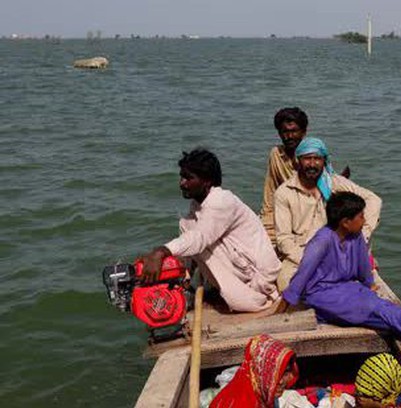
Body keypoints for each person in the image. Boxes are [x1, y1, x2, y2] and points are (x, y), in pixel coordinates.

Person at [280, 192, 401, 356]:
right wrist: (280, 311)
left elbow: (363, 269)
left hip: (346, 289)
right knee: (373, 308)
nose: (365, 220)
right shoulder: (321, 242)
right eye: (360, 216)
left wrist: (369, 285)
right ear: (345, 222)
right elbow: (301, 277)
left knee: (384, 307)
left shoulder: (356, 236)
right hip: (321, 296)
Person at [141, 148, 281, 312]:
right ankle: (194, 286)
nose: (182, 183)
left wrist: (161, 252)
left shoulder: (222, 201)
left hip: (259, 281)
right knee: (186, 225)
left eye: (188, 178)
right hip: (239, 272)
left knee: (192, 235)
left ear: (207, 181)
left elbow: (199, 238)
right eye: (182, 176)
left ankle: (225, 291)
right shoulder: (196, 209)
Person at [274, 137, 382, 290]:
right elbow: (284, 240)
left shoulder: (335, 183)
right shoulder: (284, 193)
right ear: (298, 161)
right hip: (303, 252)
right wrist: (310, 261)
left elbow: (373, 200)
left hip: (339, 247)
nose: (312, 164)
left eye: (317, 159)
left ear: (324, 161)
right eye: (307, 159)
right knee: (286, 284)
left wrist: (362, 234)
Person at [259, 107, 309, 244]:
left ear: (303, 132)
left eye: (294, 131)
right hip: (283, 212)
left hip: (308, 214)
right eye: (284, 132)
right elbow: (270, 192)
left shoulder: (312, 156)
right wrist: (266, 218)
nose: (289, 136)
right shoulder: (276, 154)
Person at [209, 334, 298, 408]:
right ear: (261, 373)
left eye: (285, 373)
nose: (281, 381)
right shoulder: (242, 402)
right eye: (275, 375)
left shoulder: (259, 392)